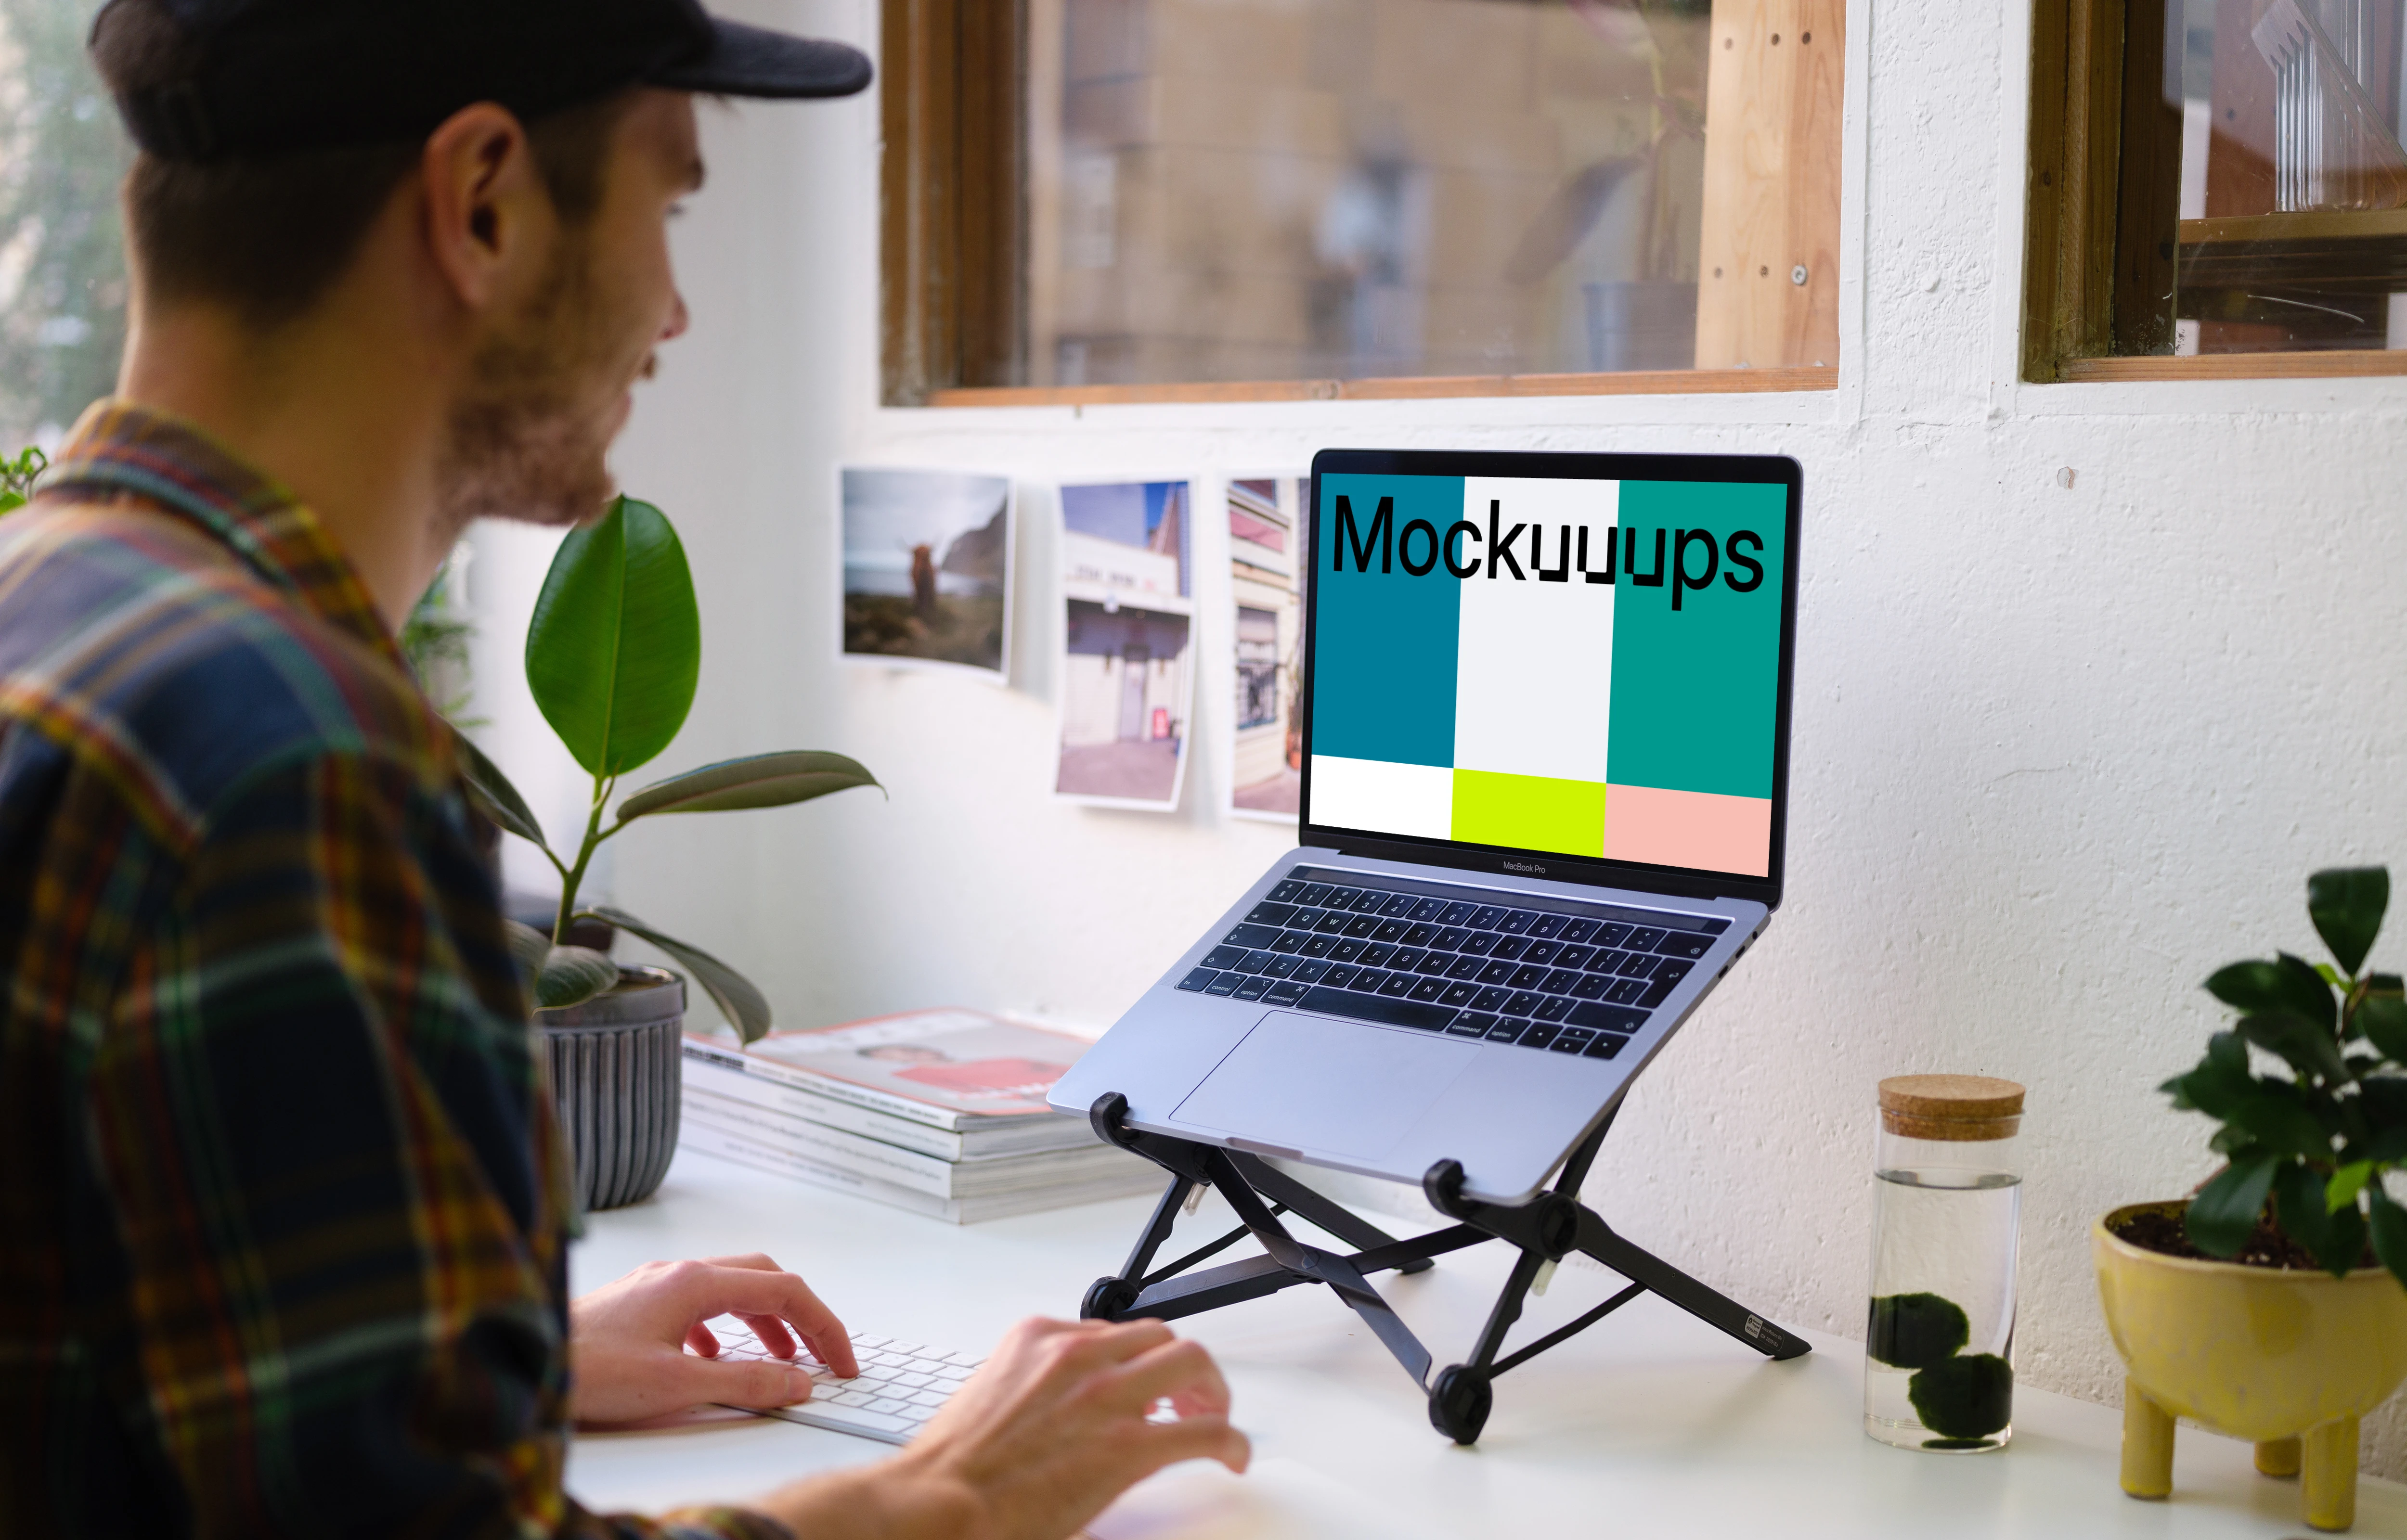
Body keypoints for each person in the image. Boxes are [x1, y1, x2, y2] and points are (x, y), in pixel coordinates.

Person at [0, 2, 1247, 1536]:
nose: (674, 312)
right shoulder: (289, 774)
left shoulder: (52, 608)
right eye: (668, 207)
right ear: (483, 206)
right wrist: (950, 1494)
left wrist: (477, 1369)